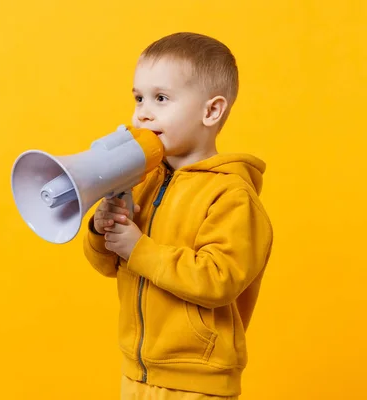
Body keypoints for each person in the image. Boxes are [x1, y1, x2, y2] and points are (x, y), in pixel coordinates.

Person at [83, 32, 273, 400]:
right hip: (136, 374)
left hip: (196, 382)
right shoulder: (143, 181)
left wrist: (137, 248)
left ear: (211, 111)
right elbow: (107, 265)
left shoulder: (231, 195)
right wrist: (100, 229)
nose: (143, 111)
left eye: (161, 98)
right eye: (138, 97)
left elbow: (218, 279)